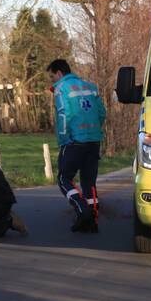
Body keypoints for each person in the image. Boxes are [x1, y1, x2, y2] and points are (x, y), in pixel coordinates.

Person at [48, 58, 106, 233]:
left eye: (52, 77)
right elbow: (102, 113)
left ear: (59, 73)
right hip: (94, 140)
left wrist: (65, 139)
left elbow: (63, 115)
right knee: (89, 182)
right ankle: (92, 221)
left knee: (63, 179)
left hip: (74, 141)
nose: (52, 81)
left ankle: (83, 211)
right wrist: (93, 130)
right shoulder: (90, 87)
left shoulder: (61, 89)